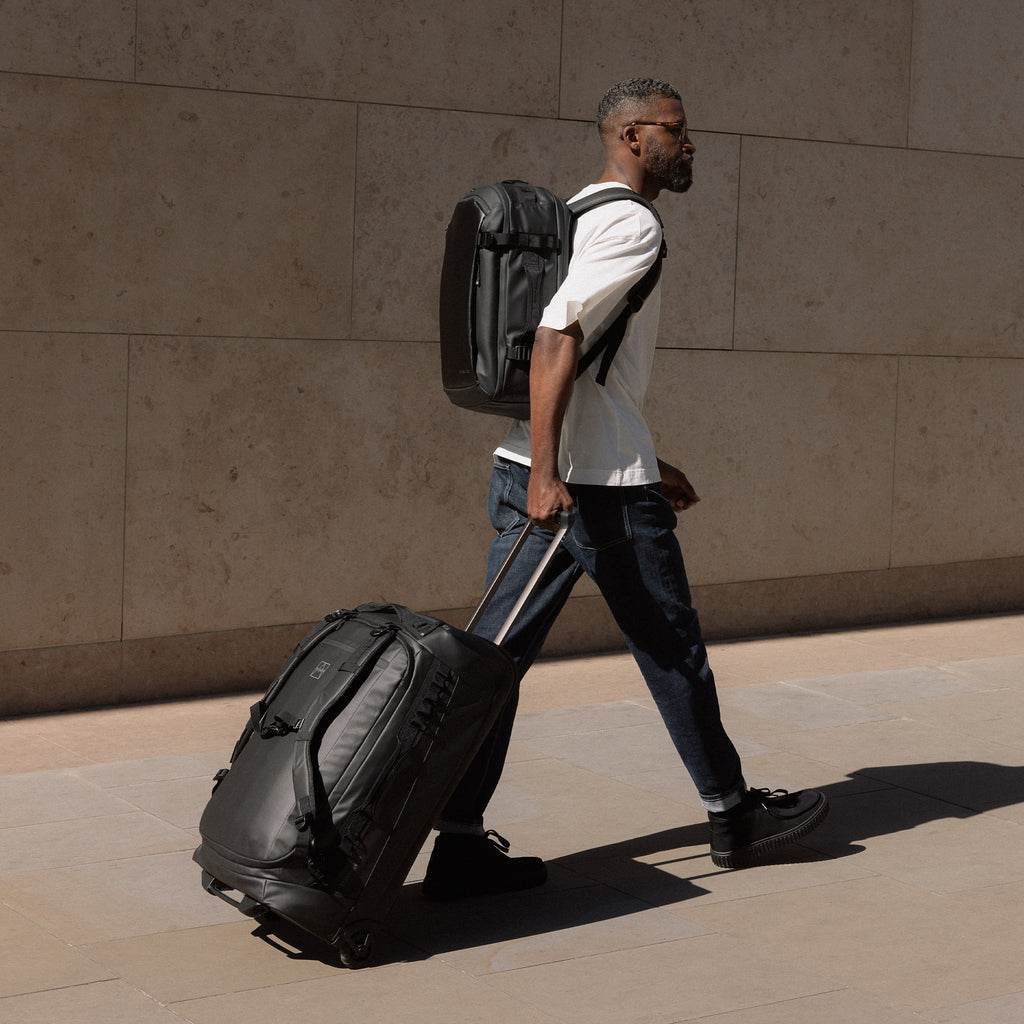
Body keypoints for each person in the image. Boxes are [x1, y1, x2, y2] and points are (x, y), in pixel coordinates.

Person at [423, 78, 828, 900]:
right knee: (671, 650)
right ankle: (734, 818)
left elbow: (593, 370)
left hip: (557, 470)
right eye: (677, 131)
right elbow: (556, 338)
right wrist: (552, 473)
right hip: (585, 492)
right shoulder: (631, 226)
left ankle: (458, 844)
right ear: (632, 137)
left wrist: (643, 454)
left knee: (493, 666)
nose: (690, 145)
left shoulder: (575, 215)